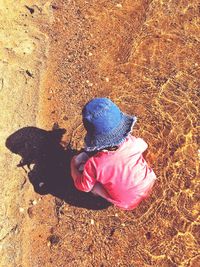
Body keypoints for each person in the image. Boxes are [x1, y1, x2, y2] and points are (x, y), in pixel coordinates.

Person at [70, 98, 156, 210]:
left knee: (93, 188)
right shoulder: (132, 142)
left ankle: (101, 194)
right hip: (149, 182)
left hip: (126, 203)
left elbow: (83, 186)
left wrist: (72, 165)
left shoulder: (95, 164)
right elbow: (144, 145)